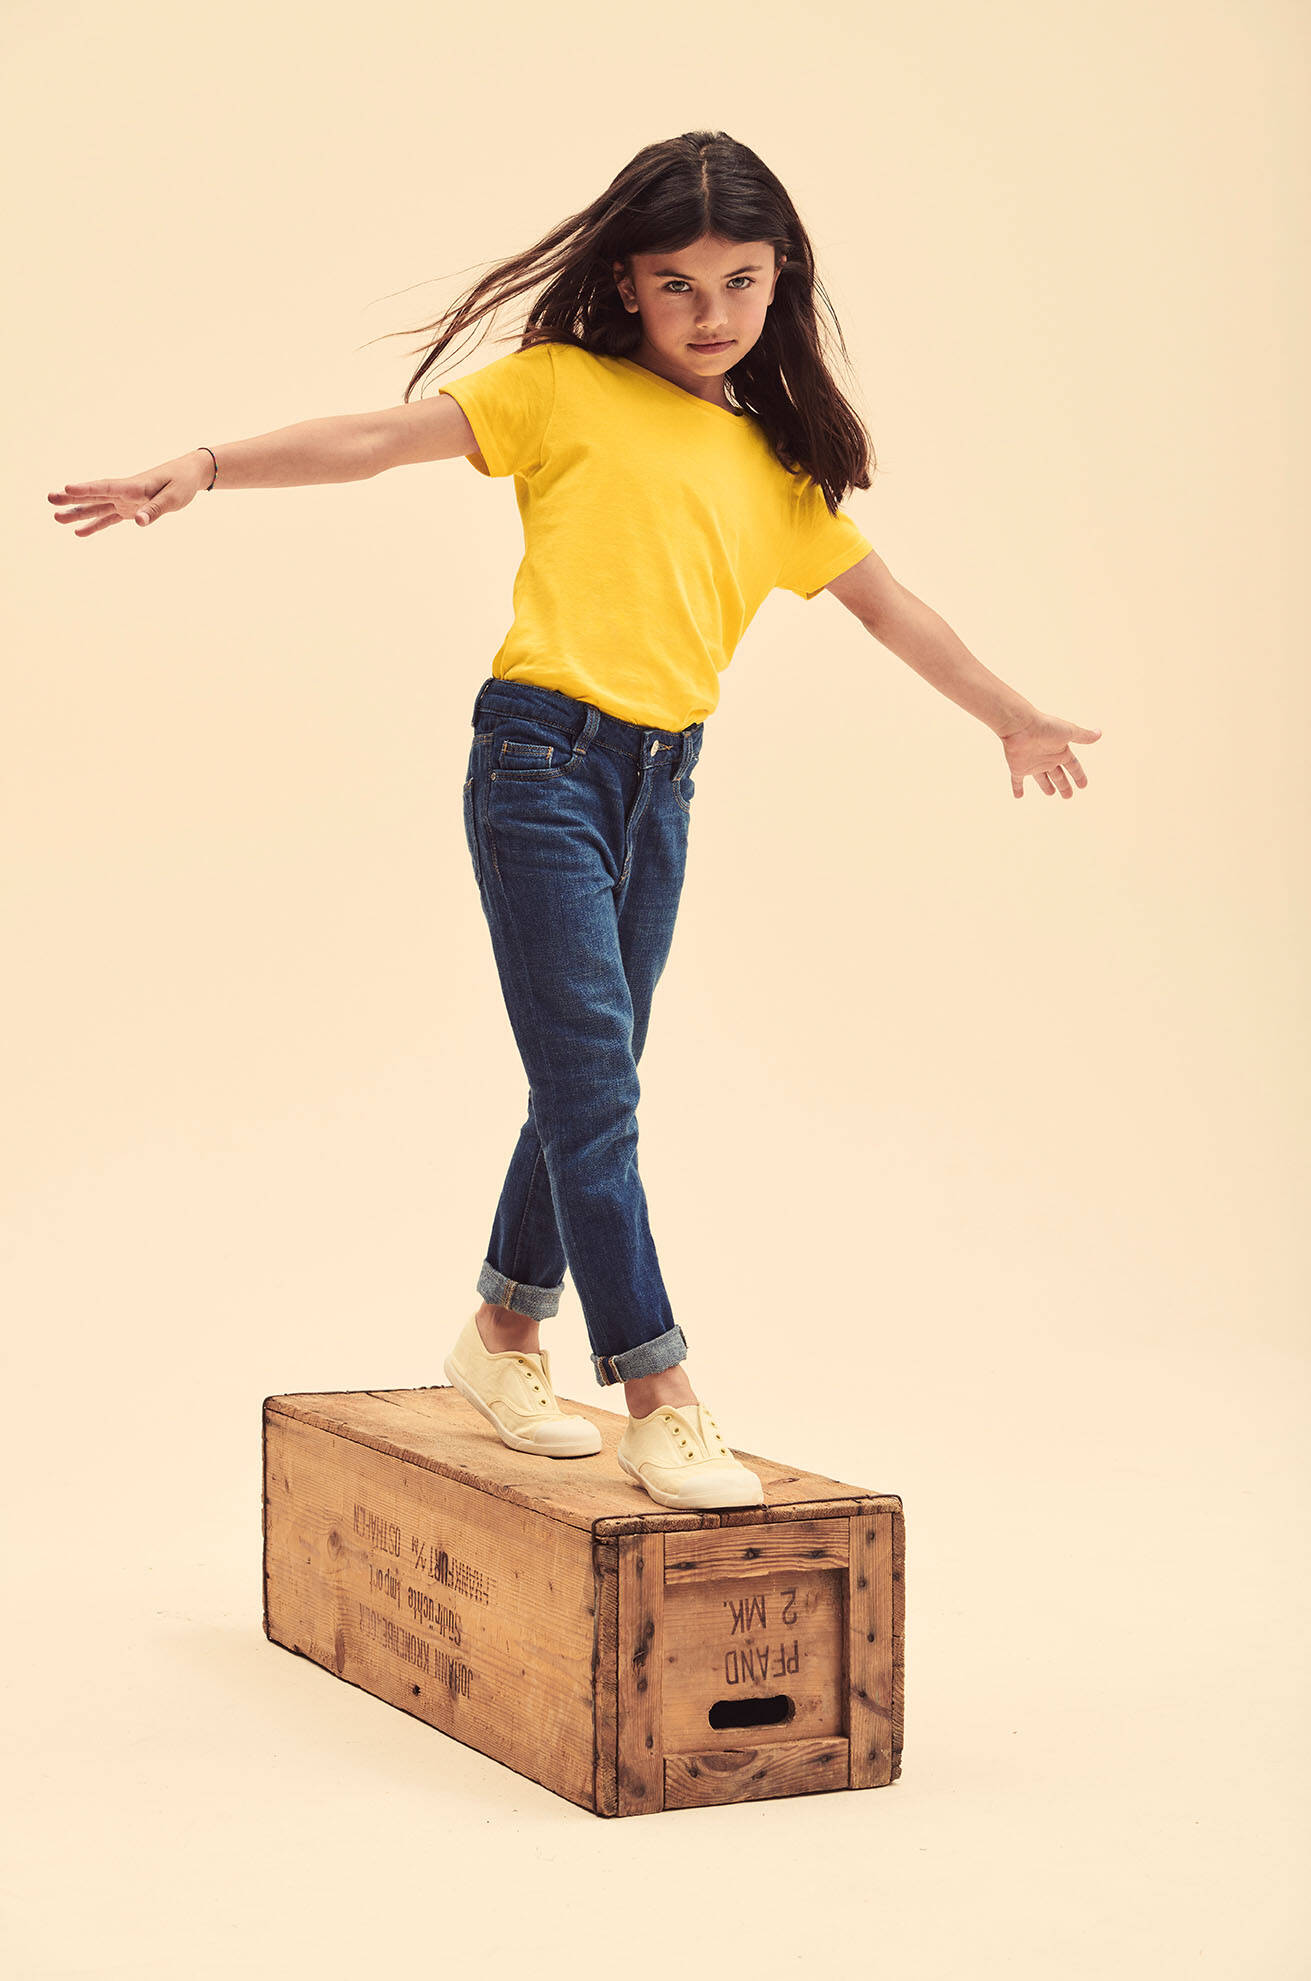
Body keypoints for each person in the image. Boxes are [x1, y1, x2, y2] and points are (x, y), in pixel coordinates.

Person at [45, 128, 1101, 1513]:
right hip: (539, 765)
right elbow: (375, 439)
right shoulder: (560, 390)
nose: (710, 314)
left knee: (585, 1082)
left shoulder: (775, 470)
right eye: (676, 284)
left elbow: (892, 608)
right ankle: (659, 1388)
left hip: (661, 788)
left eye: (739, 281)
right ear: (624, 287)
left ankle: (500, 1331)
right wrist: (203, 461)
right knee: (597, 1089)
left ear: (781, 285)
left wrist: (1008, 712)